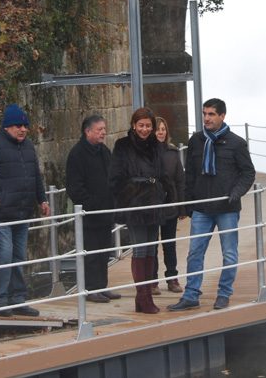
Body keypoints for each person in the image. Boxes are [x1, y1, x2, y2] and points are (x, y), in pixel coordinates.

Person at [167, 98, 255, 312]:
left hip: (227, 208)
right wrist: (188, 204)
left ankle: (224, 294)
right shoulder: (196, 140)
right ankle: (191, 295)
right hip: (202, 208)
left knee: (229, 254)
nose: (206, 118)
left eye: (211, 114)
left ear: (222, 116)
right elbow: (190, 174)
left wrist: (235, 194)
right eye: (204, 114)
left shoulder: (237, 143)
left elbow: (248, 173)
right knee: (195, 252)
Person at [0, 104, 50, 317]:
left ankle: (18, 299)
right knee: (4, 254)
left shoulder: (27, 147)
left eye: (25, 126)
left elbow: (35, 175)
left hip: (21, 213)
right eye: (18, 125)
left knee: (18, 256)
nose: (23, 129)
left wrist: (42, 199)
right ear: (7, 126)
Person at [109, 107, 165, 314]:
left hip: (154, 202)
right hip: (134, 203)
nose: (144, 129)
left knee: (151, 250)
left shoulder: (156, 145)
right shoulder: (122, 146)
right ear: (133, 125)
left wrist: (164, 196)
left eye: (148, 126)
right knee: (140, 249)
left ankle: (144, 298)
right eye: (140, 125)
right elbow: (115, 177)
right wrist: (132, 194)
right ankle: (143, 297)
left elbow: (162, 173)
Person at [65, 115, 121, 303]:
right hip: (89, 214)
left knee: (104, 251)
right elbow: (75, 187)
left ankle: (102, 286)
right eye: (99, 129)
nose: (103, 133)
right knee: (91, 252)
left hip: (105, 211)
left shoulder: (104, 151)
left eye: (104, 129)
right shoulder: (77, 154)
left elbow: (113, 176)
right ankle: (90, 289)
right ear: (87, 131)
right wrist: (91, 204)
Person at [151, 117, 186, 295]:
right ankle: (153, 282)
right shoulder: (146, 153)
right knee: (151, 244)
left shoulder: (173, 153)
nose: (161, 132)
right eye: (157, 129)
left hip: (169, 204)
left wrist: (181, 208)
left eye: (163, 129)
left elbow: (180, 180)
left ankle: (172, 278)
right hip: (151, 205)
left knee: (169, 244)